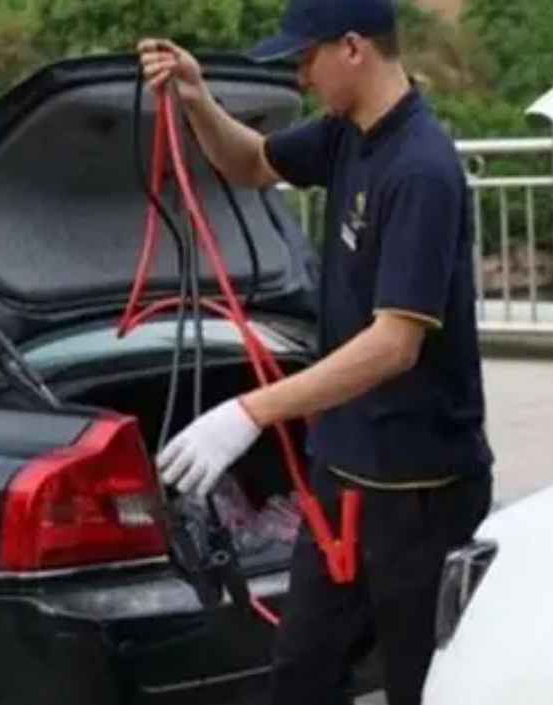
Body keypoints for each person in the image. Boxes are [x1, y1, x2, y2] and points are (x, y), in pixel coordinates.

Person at [137, 0, 495, 703]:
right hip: (341, 476)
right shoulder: (344, 134)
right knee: (301, 672)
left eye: (306, 58)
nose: (300, 76)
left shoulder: (420, 169)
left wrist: (250, 411)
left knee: (420, 686)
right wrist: (196, 98)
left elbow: (393, 344)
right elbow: (249, 163)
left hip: (419, 494)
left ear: (353, 47)